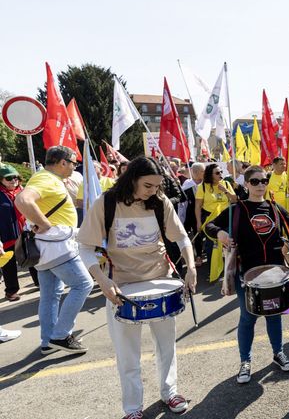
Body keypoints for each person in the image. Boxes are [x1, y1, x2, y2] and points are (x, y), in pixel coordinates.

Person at [77, 157, 196, 418]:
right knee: (128, 355)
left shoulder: (159, 201)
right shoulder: (106, 203)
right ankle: (132, 407)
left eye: (157, 186)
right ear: (131, 179)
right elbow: (85, 247)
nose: (153, 191)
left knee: (167, 346)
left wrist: (191, 266)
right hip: (121, 289)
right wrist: (102, 280)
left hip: (159, 283)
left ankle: (170, 392)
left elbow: (181, 236)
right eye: (147, 186)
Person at [206, 166, 289, 383]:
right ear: (246, 184)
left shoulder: (273, 207)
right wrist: (221, 233)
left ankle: (278, 353)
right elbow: (210, 226)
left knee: (274, 314)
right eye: (255, 181)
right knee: (248, 317)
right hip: (246, 273)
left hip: (274, 272)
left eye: (264, 180)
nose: (261, 185)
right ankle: (245, 361)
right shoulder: (237, 209)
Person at [15, 146, 94, 355]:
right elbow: (22, 200)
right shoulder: (46, 179)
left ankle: (48, 340)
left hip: (47, 248)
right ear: (62, 162)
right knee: (83, 284)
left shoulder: (46, 178)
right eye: (73, 162)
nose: (74, 166)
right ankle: (60, 335)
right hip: (56, 247)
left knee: (50, 294)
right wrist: (45, 224)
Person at [1, 164, 38, 300]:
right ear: (1, 179)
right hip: (6, 235)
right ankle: (11, 291)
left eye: (16, 177)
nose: (14, 180)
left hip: (25, 232)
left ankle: (39, 282)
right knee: (9, 265)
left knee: (32, 257)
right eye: (9, 178)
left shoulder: (23, 191)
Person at [195, 163, 238, 270]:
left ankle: (230, 268)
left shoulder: (226, 184)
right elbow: (198, 206)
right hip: (211, 220)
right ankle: (212, 268)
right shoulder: (202, 187)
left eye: (221, 172)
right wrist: (198, 222)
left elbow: (234, 200)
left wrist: (225, 191)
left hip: (226, 218)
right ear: (210, 174)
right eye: (217, 173)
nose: (221, 174)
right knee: (211, 244)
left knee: (230, 242)